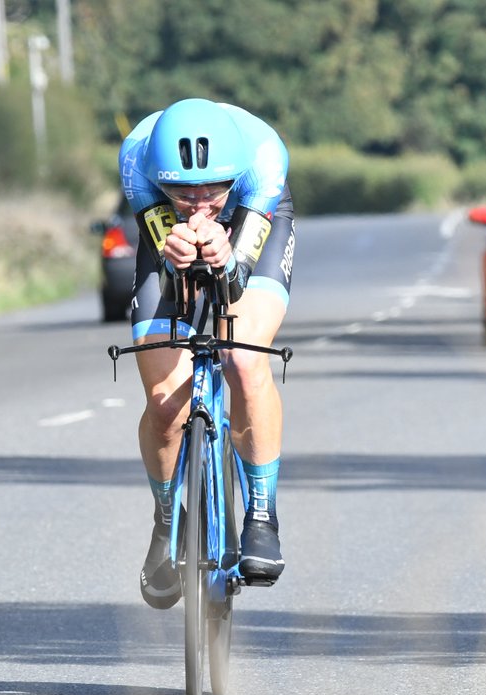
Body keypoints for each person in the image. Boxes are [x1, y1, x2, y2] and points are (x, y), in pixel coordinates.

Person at [118, 98, 295, 609]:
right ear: (160, 177)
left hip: (256, 219)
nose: (197, 202)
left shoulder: (263, 158)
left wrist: (229, 254)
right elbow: (166, 245)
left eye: (211, 188)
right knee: (164, 397)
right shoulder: (137, 156)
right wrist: (175, 250)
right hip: (166, 234)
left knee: (242, 358)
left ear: (232, 176)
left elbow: (237, 274)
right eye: (182, 189)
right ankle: (167, 518)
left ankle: (261, 513)